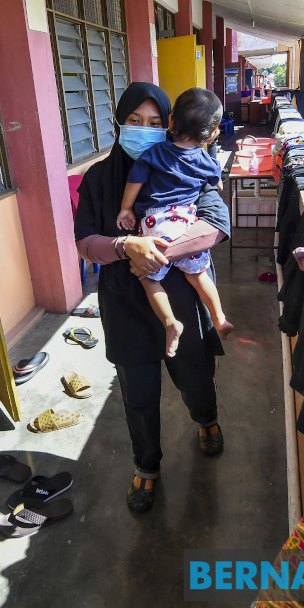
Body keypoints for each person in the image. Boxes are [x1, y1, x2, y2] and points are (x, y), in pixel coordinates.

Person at [74, 82, 230, 513]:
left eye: (155, 123)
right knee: (138, 393)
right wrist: (126, 248)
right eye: (134, 121)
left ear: (171, 125)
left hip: (181, 293)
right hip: (125, 301)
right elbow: (85, 241)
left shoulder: (189, 163)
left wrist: (158, 252)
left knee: (195, 376)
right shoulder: (99, 179)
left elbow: (215, 223)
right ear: (119, 124)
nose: (144, 130)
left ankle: (207, 420)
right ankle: (147, 466)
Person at [116, 88, 233, 357]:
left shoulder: (154, 153)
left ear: (170, 122)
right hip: (186, 224)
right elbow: (216, 184)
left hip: (157, 224)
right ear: (212, 134)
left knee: (148, 278)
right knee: (199, 275)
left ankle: (170, 323)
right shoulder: (206, 160)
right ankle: (219, 317)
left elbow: (136, 182)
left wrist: (126, 209)